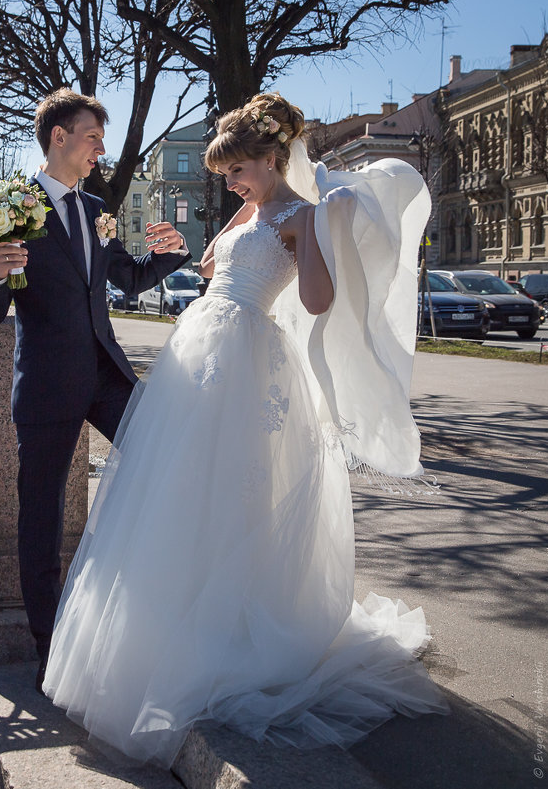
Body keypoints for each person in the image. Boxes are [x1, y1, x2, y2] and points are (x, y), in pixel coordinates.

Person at [42, 93, 449, 766]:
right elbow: (212, 266)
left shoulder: (301, 214)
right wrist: (208, 242)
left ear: (270, 157)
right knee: (179, 492)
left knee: (236, 493)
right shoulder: (254, 208)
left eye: (236, 171)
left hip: (248, 365)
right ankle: (178, 620)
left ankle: (232, 626)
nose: (229, 182)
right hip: (199, 353)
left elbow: (317, 300)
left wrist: (314, 233)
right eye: (226, 173)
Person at [0, 88, 191, 691]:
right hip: (45, 386)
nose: (101, 150)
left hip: (106, 377)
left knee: (166, 465)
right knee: (41, 519)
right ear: (59, 137)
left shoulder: (97, 209)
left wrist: (170, 257)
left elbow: (127, 280)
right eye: (92, 137)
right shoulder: (11, 207)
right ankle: (49, 648)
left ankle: (150, 614)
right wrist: (1, 275)